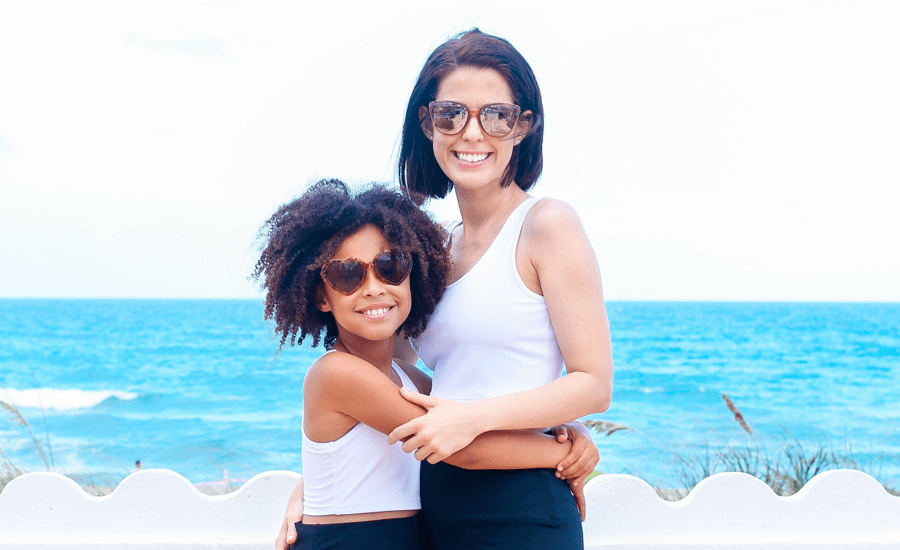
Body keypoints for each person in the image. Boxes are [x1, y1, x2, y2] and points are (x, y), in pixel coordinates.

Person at [257, 180, 599, 550]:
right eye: (348, 275)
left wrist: (567, 427)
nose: (373, 288)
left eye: (390, 266)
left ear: (411, 276)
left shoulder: (409, 381)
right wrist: (564, 453)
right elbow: (460, 448)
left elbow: (472, 415)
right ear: (321, 295)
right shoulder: (336, 374)